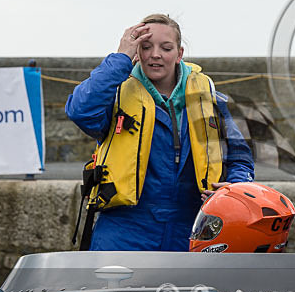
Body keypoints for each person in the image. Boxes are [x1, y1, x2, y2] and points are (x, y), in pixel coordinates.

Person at [66, 14, 254, 251]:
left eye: (166, 48)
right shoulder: (115, 96)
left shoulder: (209, 99)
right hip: (124, 231)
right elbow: (81, 112)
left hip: (194, 228)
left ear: (179, 54)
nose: (155, 54)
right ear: (136, 52)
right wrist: (120, 58)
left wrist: (230, 196)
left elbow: (240, 159)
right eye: (146, 47)